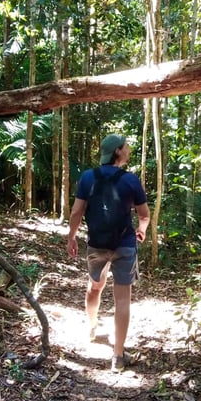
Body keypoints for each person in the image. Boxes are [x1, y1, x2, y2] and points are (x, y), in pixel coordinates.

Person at [67, 134, 150, 372]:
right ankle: (118, 356)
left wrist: (71, 237)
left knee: (94, 286)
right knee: (122, 299)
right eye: (126, 146)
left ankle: (92, 327)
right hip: (124, 244)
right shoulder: (131, 180)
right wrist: (141, 230)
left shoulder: (87, 177)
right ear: (117, 152)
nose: (129, 149)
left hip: (97, 244)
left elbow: (76, 212)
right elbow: (144, 214)